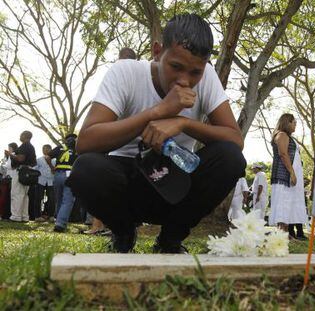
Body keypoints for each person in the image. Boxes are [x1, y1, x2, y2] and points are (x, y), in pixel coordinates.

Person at [67, 13, 245, 253]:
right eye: (176, 67)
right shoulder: (126, 72)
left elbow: (235, 139)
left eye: (195, 72)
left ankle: (170, 240)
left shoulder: (208, 78)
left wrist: (183, 123)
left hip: (176, 182)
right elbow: (86, 141)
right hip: (125, 180)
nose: (185, 80)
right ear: (157, 51)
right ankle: (123, 233)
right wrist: (157, 112)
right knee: (86, 168)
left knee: (230, 157)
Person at [268, 114, 307, 239]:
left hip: (288, 177)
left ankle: (285, 234)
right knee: (283, 204)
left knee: (288, 204)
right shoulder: (282, 135)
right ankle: (282, 234)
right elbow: (283, 154)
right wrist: (292, 172)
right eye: (294, 123)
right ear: (287, 122)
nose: (295, 125)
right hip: (283, 176)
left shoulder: (287, 136)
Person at [49, 134, 78, 232]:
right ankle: (60, 224)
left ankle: (58, 220)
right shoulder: (78, 149)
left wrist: (52, 167)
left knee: (59, 199)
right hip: (70, 175)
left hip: (58, 174)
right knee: (68, 200)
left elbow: (47, 157)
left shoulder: (60, 147)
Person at [7, 131, 36, 222]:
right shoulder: (31, 147)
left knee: (17, 194)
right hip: (27, 171)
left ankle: (16, 216)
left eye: (21, 135)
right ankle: (24, 216)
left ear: (25, 136)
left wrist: (10, 155)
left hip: (21, 171)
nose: (20, 136)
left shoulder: (25, 145)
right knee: (24, 195)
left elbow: (20, 158)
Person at [33, 144, 55, 222]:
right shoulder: (39, 159)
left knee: (52, 199)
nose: (45, 150)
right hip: (40, 181)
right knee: (38, 198)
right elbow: (35, 169)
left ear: (51, 150)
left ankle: (51, 215)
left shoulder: (55, 160)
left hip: (51, 181)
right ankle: (37, 216)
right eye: (44, 149)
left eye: (47, 149)